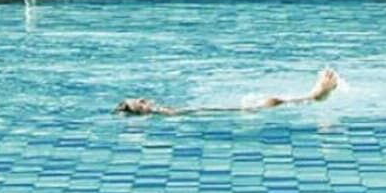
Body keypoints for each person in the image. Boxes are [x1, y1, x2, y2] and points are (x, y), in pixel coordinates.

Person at [117, 68, 341, 117]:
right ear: (142, 109)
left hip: (236, 109)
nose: (144, 99)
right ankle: (316, 94)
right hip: (238, 109)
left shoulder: (165, 111)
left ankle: (315, 94)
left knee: (274, 101)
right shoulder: (167, 113)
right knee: (274, 101)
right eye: (140, 102)